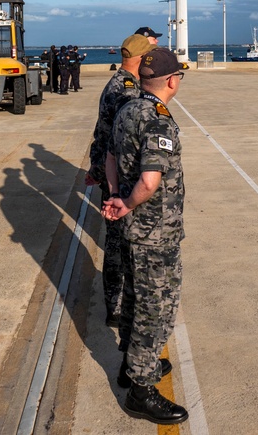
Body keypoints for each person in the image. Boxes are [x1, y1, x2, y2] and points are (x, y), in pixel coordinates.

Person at [102, 48, 188, 426]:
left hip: (134, 229)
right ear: (172, 81)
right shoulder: (157, 120)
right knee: (157, 310)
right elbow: (151, 181)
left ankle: (130, 363)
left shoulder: (128, 108)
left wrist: (115, 196)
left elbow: (108, 156)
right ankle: (140, 388)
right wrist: (130, 202)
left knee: (135, 300)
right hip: (155, 232)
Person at [86, 34, 156, 327]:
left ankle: (119, 303)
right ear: (139, 60)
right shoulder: (126, 89)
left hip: (115, 175)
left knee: (119, 245)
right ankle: (115, 306)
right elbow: (114, 139)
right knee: (116, 247)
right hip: (122, 180)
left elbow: (100, 132)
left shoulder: (119, 82)